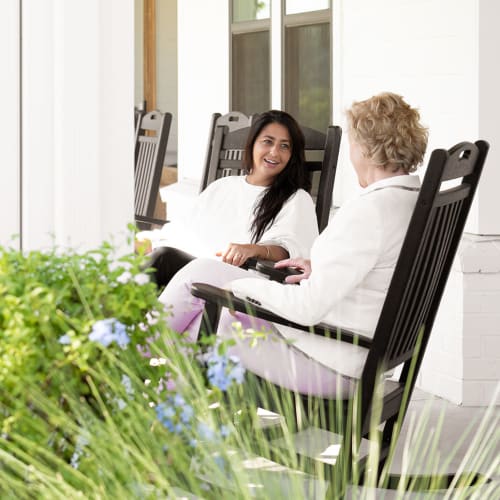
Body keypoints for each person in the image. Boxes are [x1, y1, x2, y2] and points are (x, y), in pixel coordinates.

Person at [158, 92, 428, 397]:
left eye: (353, 141)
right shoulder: (409, 202)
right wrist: (320, 267)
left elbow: (307, 309)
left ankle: (129, 378)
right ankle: (154, 403)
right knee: (203, 274)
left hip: (331, 364)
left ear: (366, 147)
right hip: (355, 355)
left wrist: (244, 287)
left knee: (200, 318)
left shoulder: (370, 210)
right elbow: (378, 270)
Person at [138, 110, 318, 287]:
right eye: (267, 142)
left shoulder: (296, 198)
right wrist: (148, 242)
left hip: (242, 281)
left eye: (284, 146)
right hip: (198, 268)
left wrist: (253, 249)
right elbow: (185, 228)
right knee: (134, 257)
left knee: (163, 259)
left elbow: (292, 250)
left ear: (291, 156)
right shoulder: (223, 185)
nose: (274, 152)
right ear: (252, 144)